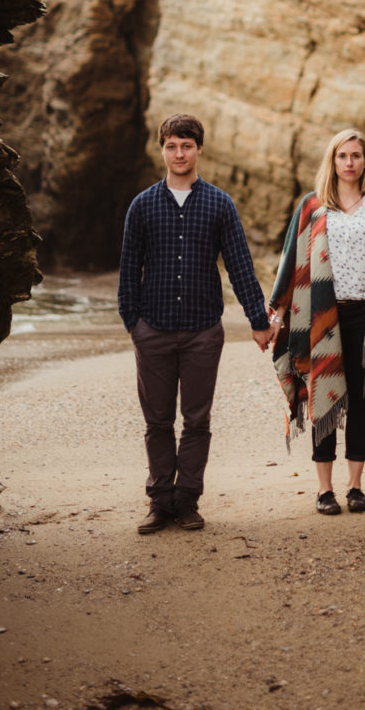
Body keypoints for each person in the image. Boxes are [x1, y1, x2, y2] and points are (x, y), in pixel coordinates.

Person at [119, 113, 278, 534]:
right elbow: (128, 268)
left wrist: (258, 321)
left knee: (196, 420)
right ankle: (159, 501)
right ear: (163, 150)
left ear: (199, 149)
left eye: (186, 145)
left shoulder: (219, 204)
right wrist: (132, 322)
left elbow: (240, 266)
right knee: (156, 422)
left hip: (203, 331)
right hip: (152, 328)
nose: (179, 153)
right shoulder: (143, 205)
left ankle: (187, 501)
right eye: (171, 145)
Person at [268, 128, 365, 515]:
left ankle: (355, 486)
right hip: (321, 316)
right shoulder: (312, 205)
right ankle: (324, 490)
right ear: (332, 162)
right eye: (342, 156)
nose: (349, 163)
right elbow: (290, 263)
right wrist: (278, 314)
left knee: (362, 398)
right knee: (324, 396)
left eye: (356, 156)